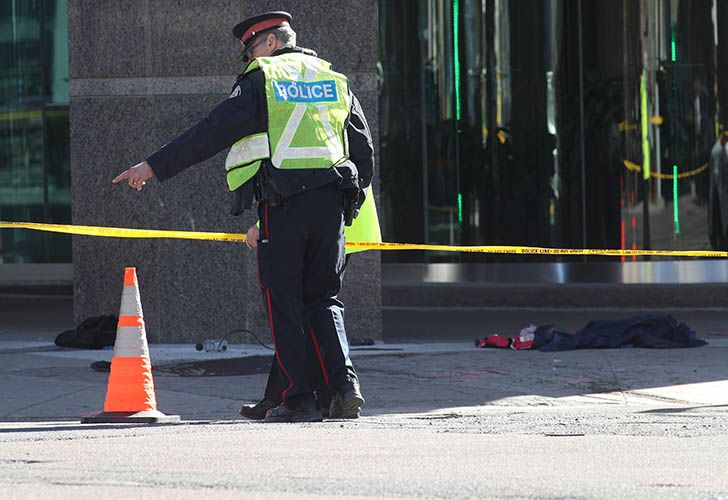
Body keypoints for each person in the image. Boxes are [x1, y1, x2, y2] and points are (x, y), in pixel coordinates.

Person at [112, 11, 376, 423]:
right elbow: (363, 152)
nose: (250, 57)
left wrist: (153, 166)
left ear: (270, 43)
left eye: (252, 48)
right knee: (324, 299)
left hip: (285, 206)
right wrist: (348, 206)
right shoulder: (335, 80)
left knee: (284, 303)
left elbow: (210, 132)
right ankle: (344, 388)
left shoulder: (263, 79)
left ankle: (300, 398)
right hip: (330, 208)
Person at [240, 193, 381, 420]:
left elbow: (304, 174)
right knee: (306, 312)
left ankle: (330, 392)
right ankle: (311, 394)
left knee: (301, 312)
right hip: (340, 220)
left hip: (322, 219)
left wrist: (261, 224)